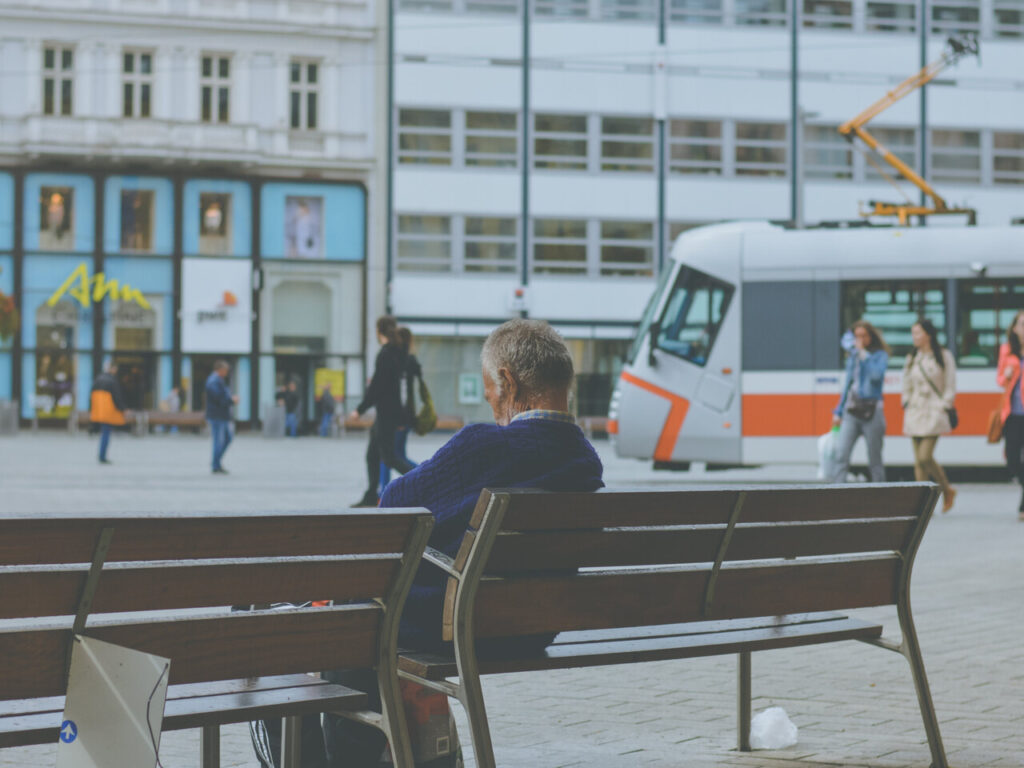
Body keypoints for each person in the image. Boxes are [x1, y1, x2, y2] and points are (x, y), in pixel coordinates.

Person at [256, 319, 604, 768]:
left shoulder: (483, 445)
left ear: (507, 381)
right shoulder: (584, 464)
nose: (491, 402)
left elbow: (395, 503)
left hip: (456, 627)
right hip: (530, 628)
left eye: (489, 390)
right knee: (357, 610)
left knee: (338, 615)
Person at [350, 316, 415, 507]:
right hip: (391, 413)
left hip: (387, 413)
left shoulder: (386, 354)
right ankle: (371, 495)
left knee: (389, 457)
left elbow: (377, 387)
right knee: (373, 455)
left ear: (379, 331)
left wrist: (359, 409)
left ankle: (424, 481)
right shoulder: (399, 353)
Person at [902, 319, 957, 513]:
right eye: (913, 333)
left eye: (917, 333)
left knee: (925, 456)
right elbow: (906, 383)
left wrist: (944, 405)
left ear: (928, 335)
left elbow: (950, 384)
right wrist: (906, 401)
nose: (914, 337)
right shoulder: (912, 357)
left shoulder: (943, 356)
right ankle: (922, 505)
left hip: (934, 411)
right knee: (918, 460)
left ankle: (946, 489)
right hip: (915, 410)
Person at [830, 320, 890, 483]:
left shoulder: (879, 355)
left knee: (874, 459)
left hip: (872, 412)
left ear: (871, 337)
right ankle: (835, 494)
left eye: (863, 336)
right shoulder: (853, 356)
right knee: (841, 454)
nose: (859, 340)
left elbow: (876, 377)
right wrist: (838, 410)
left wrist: (864, 355)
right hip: (852, 411)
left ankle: (880, 496)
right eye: (857, 336)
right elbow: (848, 384)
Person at [378, 326, 421, 495]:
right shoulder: (410, 360)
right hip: (405, 416)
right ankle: (422, 477)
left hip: (398, 418)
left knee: (389, 457)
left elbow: (400, 393)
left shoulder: (402, 361)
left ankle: (383, 493)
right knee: (398, 455)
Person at [996, 309, 1024, 519]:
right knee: (1012, 460)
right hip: (1012, 414)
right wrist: (1006, 375)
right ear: (1014, 328)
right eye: (1021, 324)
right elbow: (999, 380)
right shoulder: (1006, 350)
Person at [205, 360, 238, 474]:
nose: (227, 372)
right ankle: (215, 464)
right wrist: (231, 400)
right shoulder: (213, 381)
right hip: (217, 415)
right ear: (220, 370)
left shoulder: (218, 380)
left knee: (227, 438)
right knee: (219, 441)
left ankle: (216, 462)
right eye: (226, 370)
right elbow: (218, 398)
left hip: (222, 415)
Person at [90, 363, 126, 465]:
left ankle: (101, 455)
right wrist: (122, 408)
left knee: (103, 433)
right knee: (106, 434)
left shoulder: (97, 379)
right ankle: (102, 456)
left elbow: (92, 397)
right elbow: (117, 397)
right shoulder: (112, 381)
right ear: (112, 369)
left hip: (99, 412)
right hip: (109, 411)